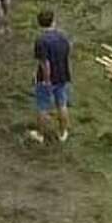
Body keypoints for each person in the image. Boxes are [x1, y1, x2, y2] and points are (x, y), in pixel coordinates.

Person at [31, 9, 71, 144]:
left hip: (47, 79)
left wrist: (46, 80)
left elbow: (44, 62)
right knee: (62, 104)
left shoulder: (41, 41)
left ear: (39, 24)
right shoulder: (62, 37)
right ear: (54, 21)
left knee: (42, 107)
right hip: (63, 75)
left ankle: (40, 134)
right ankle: (63, 132)